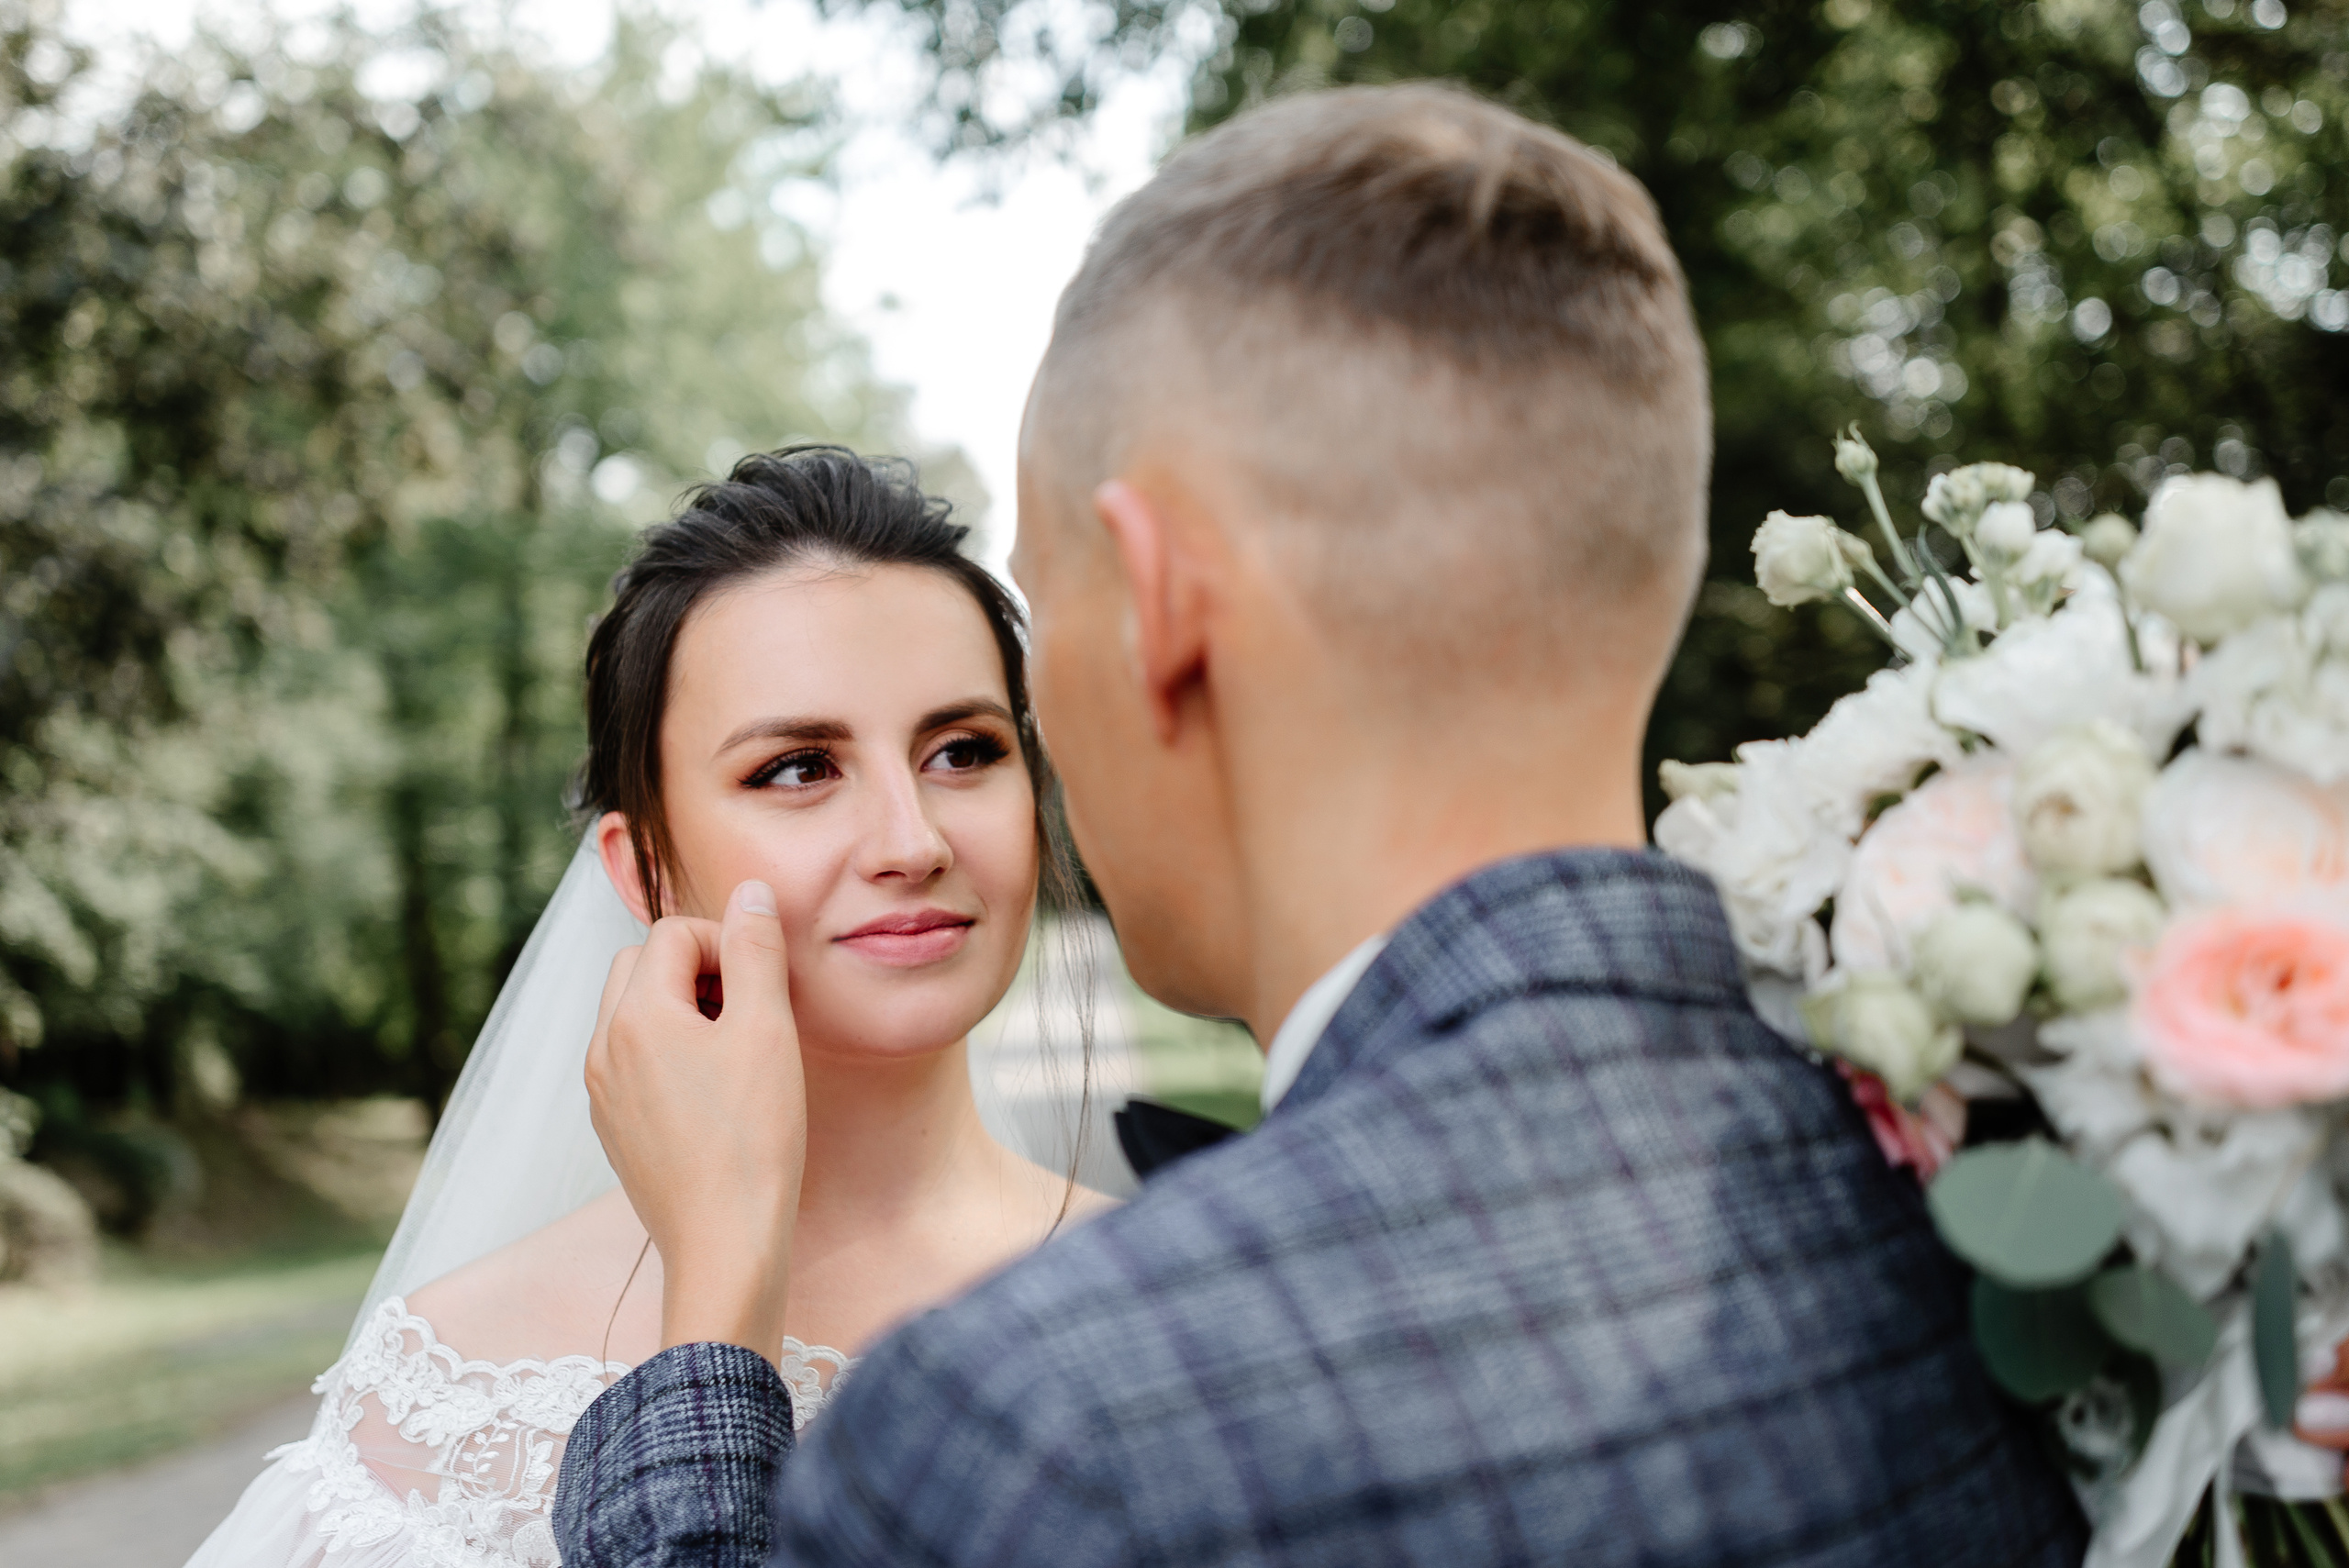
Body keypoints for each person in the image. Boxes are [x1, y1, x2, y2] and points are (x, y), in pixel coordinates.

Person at [555, 83, 2090, 1565]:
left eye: (1038, 634)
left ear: (1159, 601)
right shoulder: (2017, 1190)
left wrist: (702, 1374)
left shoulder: (1041, 1434)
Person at [184, 449, 1115, 1568]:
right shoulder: (452, 1394)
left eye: (965, 750)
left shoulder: (1189, 1300)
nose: (912, 841)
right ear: (645, 867)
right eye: (798, 767)